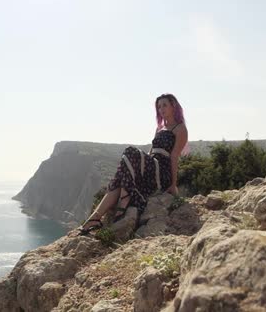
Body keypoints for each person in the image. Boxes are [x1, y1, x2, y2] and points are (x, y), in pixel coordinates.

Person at [77, 93, 188, 235]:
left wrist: (173, 185)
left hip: (162, 172)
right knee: (119, 179)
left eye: (164, 105)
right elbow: (150, 153)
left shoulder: (180, 129)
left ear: (174, 106)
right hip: (151, 167)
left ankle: (124, 199)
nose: (161, 109)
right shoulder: (159, 129)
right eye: (158, 107)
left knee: (130, 151)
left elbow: (174, 157)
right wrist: (138, 170)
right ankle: (95, 218)